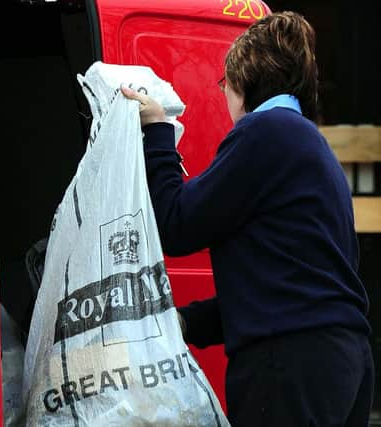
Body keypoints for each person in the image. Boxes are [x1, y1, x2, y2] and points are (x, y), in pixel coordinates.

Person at [121, 11, 374, 427]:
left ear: (242, 82)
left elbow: (177, 223)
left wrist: (158, 130)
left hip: (291, 366)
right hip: (343, 362)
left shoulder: (264, 132)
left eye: (224, 84)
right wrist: (185, 322)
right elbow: (279, 286)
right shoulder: (315, 150)